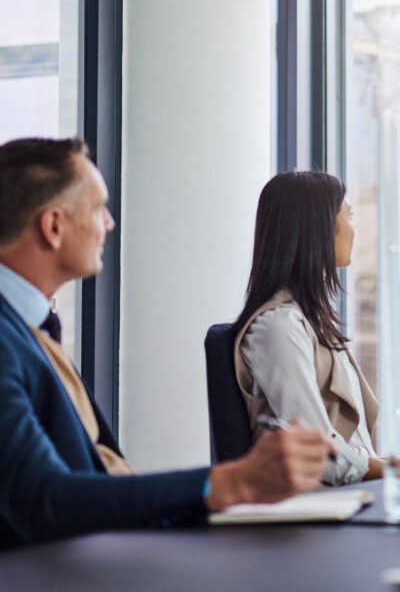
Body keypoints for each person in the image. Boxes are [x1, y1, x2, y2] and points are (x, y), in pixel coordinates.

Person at [0, 138, 334, 548]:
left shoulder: (27, 327)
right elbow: (42, 500)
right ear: (53, 226)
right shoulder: (7, 337)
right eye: (97, 208)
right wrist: (230, 482)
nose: (109, 223)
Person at [234, 171, 391, 484]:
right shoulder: (278, 327)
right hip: (319, 511)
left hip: (349, 497)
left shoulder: (312, 322)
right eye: (349, 215)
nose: (353, 229)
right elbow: (319, 455)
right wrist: (396, 471)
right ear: (318, 231)